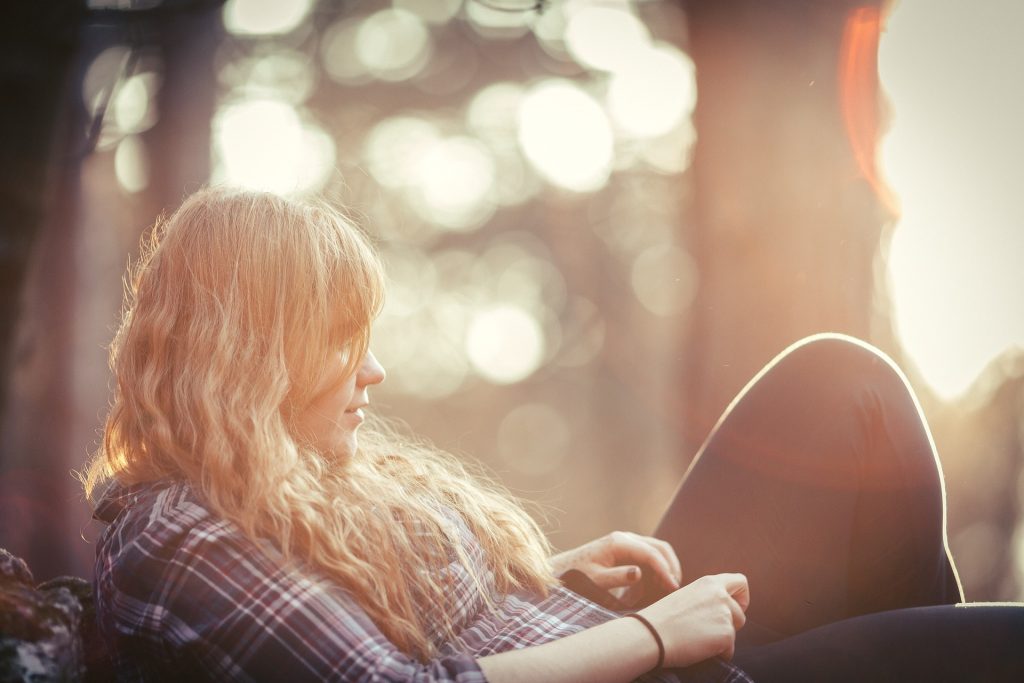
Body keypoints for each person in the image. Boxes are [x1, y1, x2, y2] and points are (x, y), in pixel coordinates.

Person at [82, 187, 1024, 682]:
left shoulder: (277, 483)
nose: (373, 373)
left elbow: (408, 630)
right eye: (338, 346)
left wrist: (561, 572)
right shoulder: (182, 532)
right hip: (654, 671)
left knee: (840, 382)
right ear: (254, 355)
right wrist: (655, 636)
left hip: (630, 648)